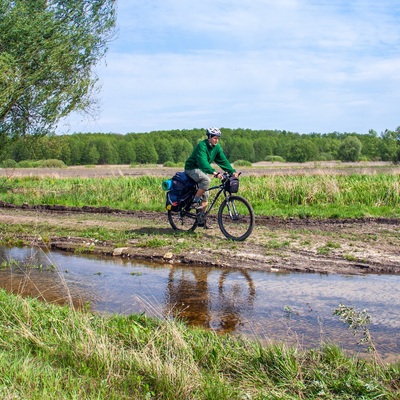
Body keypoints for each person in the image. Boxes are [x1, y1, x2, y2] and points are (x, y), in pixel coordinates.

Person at [185, 127, 238, 227]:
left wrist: (232, 171)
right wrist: (214, 173)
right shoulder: (202, 146)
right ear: (209, 137)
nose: (216, 140)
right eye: (214, 138)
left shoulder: (217, 147)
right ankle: (195, 201)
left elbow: (223, 160)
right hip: (192, 168)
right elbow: (203, 162)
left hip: (202, 170)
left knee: (206, 195)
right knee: (206, 180)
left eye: (218, 138)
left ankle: (200, 220)